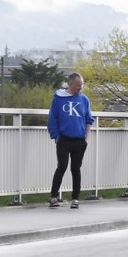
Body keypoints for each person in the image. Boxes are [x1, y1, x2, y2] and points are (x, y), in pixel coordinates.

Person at [46, 72, 95, 209]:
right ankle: (54, 196)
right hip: (63, 139)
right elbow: (52, 119)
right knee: (62, 166)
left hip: (79, 140)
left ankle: (75, 198)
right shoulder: (58, 98)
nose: (80, 87)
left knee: (76, 169)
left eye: (82, 85)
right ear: (69, 84)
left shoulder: (84, 99)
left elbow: (88, 119)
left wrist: (86, 137)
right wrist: (56, 136)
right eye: (77, 85)